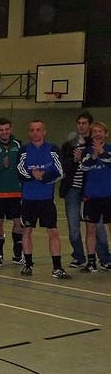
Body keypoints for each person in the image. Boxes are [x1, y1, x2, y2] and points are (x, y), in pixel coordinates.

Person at [17, 119, 70, 279]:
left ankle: (57, 268)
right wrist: (32, 175)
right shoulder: (24, 150)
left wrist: (43, 176)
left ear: (44, 132)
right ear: (29, 133)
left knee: (53, 231)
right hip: (28, 199)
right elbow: (19, 170)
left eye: (38, 129)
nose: (35, 133)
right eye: (32, 130)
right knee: (27, 230)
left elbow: (60, 171)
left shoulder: (53, 149)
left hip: (46, 199)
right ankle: (27, 265)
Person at [59, 111, 111, 268]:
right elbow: (63, 167)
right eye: (79, 123)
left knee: (98, 228)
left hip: (91, 192)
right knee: (74, 228)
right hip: (72, 190)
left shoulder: (94, 144)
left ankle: (105, 258)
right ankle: (79, 257)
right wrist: (75, 160)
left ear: (90, 125)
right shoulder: (68, 145)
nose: (81, 126)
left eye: (85, 123)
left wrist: (96, 154)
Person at [0, 117, 24, 266]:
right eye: (1, 130)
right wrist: (0, 165)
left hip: (16, 192)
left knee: (18, 222)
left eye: (7, 129)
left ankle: (17, 255)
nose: (4, 132)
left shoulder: (19, 145)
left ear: (11, 129)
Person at [79, 122, 111, 273]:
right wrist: (94, 156)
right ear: (91, 135)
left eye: (100, 131)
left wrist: (102, 152)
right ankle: (91, 261)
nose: (98, 134)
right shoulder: (87, 151)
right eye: (95, 132)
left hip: (108, 196)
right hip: (91, 197)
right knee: (90, 228)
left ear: (106, 134)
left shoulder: (110, 149)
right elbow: (84, 166)